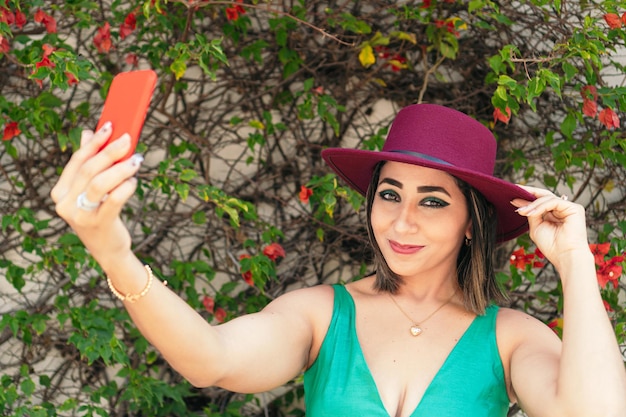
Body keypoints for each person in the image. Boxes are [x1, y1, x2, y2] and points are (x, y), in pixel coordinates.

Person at [51, 104, 626, 417]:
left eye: (433, 202)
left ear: (471, 222)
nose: (402, 222)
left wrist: (574, 261)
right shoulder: (321, 315)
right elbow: (211, 360)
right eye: (390, 194)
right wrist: (112, 249)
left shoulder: (511, 338)